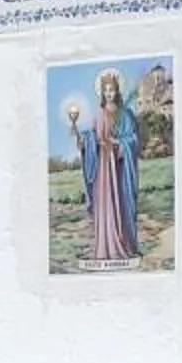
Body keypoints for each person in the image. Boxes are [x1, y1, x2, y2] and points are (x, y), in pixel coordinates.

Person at [68, 68, 142, 267]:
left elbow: (134, 140)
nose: (108, 93)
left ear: (117, 91)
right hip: (102, 169)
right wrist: (83, 140)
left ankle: (120, 243)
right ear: (101, 93)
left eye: (112, 90)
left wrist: (118, 143)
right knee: (104, 205)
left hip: (116, 170)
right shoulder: (99, 114)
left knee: (117, 204)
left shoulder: (125, 115)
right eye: (105, 90)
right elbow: (92, 138)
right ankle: (103, 247)